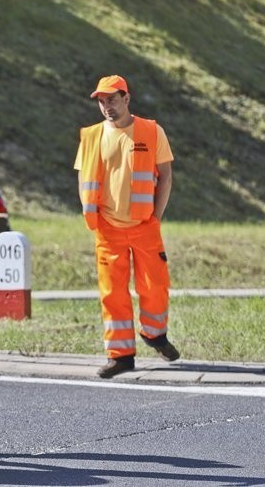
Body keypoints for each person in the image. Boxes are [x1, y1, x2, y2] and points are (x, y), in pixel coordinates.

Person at [74, 74, 181, 379]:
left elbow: (166, 177)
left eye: (112, 99)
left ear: (126, 98)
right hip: (107, 228)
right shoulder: (91, 136)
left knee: (155, 285)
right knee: (112, 293)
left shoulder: (151, 130)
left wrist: (155, 217)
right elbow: (84, 179)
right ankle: (120, 355)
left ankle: (154, 334)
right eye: (102, 101)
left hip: (145, 225)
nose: (107, 106)